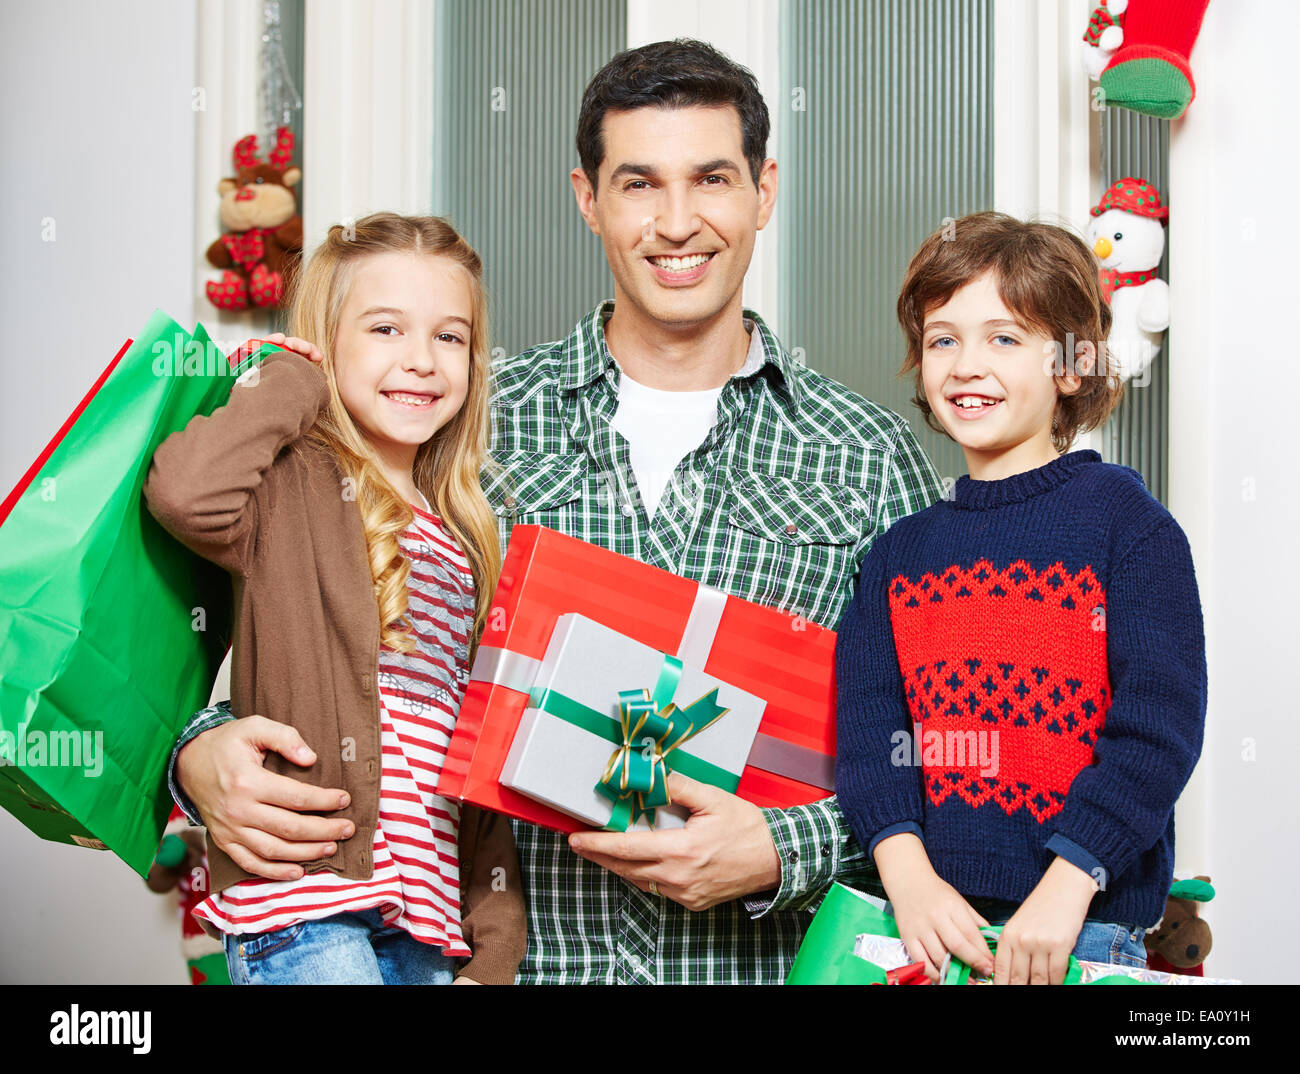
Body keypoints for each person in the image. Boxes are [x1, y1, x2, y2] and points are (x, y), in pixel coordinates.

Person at [167, 39, 944, 984]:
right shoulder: (459, 428)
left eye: (711, 179)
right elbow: (301, 624)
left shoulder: (868, 459)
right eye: (638, 185)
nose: (677, 221)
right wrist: (198, 761)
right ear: (588, 199)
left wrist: (791, 848)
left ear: (763, 191)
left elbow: (939, 751)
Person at [143, 213, 525, 985]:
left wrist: (495, 946)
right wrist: (294, 377)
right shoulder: (292, 485)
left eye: (449, 338)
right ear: (328, 339)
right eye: (385, 328)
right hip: (305, 905)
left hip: (426, 923)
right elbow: (185, 494)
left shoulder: (468, 536)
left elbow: (479, 754)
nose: (421, 361)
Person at [834, 211, 1207, 985]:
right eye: (944, 339)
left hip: (1085, 932)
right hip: (929, 932)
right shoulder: (896, 556)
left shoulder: (1128, 528)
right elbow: (873, 741)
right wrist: (909, 879)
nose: (967, 365)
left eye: (1004, 338)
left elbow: (1157, 730)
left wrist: (1071, 881)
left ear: (1071, 365)